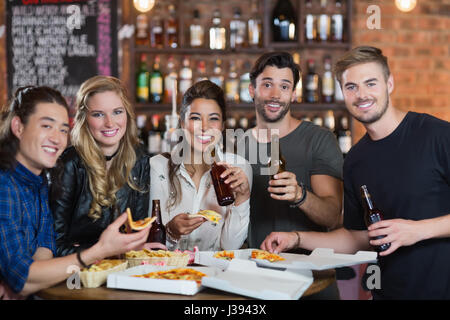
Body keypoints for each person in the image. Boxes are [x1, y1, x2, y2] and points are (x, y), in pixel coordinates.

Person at [261, 46, 450, 300]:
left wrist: (418, 230)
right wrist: (295, 239)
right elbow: (356, 237)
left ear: (389, 83)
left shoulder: (437, 136)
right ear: (342, 93)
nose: (361, 95)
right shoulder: (355, 161)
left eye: (370, 83)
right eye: (351, 87)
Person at [0, 86, 150, 298]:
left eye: (62, 129)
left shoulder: (39, 180)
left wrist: (29, 281)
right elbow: (22, 278)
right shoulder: (5, 185)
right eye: (46, 126)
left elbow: (44, 251)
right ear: (18, 127)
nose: (57, 138)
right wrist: (100, 250)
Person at [240, 51, 344, 299]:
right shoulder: (235, 147)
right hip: (253, 283)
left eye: (284, 86)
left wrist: (300, 195)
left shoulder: (318, 140)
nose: (275, 95)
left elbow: (333, 217)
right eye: (267, 84)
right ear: (252, 90)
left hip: (313, 285)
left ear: (294, 94)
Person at [50, 76, 163, 257]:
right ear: (84, 118)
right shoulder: (68, 164)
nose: (110, 123)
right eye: (98, 114)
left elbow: (137, 233)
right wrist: (105, 252)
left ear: (127, 113)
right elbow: (53, 246)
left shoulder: (139, 160)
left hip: (121, 272)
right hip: (76, 275)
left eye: (117, 112)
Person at [149, 80, 252, 251]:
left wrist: (242, 198)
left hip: (216, 273)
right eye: (195, 118)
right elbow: (151, 246)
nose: (204, 127)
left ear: (223, 125)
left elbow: (230, 247)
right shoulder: (158, 166)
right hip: (168, 274)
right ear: (182, 123)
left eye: (213, 119)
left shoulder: (238, 168)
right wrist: (171, 232)